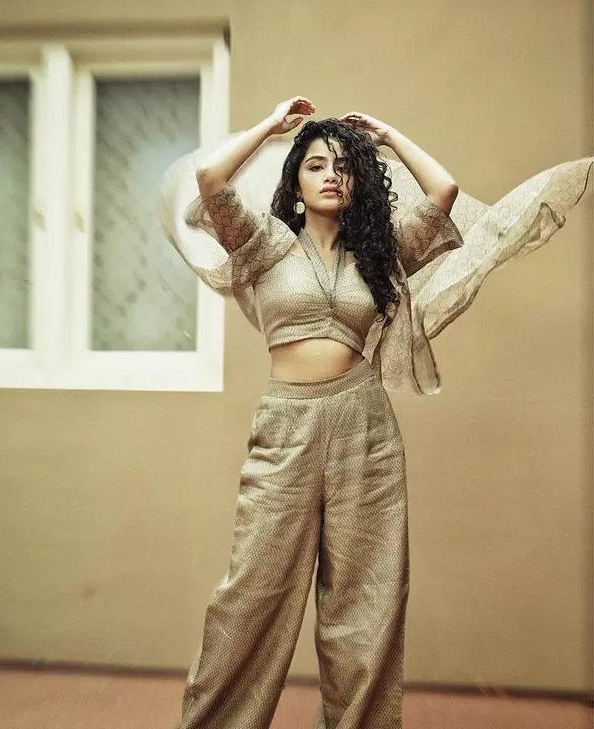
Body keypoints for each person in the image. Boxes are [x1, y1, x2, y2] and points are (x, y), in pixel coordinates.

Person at [159, 97, 593, 729]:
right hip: (287, 428)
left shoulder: (379, 256)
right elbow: (210, 180)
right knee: (249, 597)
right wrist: (272, 127)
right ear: (295, 184)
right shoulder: (263, 243)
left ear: (358, 182)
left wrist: (387, 136)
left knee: (368, 603)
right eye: (315, 165)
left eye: (344, 166)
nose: (331, 175)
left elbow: (442, 192)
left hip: (366, 429)